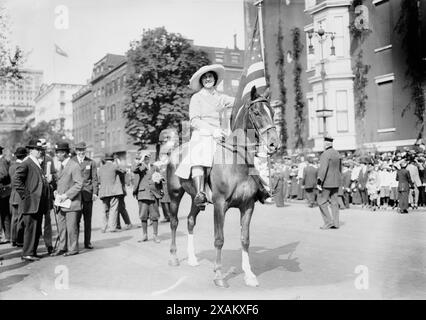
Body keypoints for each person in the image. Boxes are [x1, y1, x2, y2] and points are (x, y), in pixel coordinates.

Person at [174, 64, 271, 209]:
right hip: (203, 132)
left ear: (215, 79)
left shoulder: (220, 97)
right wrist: (212, 130)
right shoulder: (196, 98)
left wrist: (252, 96)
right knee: (201, 155)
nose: (208, 79)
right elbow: (194, 120)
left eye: (210, 76)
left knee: (244, 151)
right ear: (201, 81)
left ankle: (259, 187)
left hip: (220, 133)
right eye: (205, 77)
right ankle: (200, 193)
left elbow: (239, 102)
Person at [13, 139, 50, 261]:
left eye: (41, 149)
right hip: (31, 203)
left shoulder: (35, 163)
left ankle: (32, 252)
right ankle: (27, 253)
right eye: (38, 149)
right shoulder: (26, 163)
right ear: (31, 150)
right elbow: (16, 180)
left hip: (37, 203)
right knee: (30, 228)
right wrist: (26, 195)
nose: (40, 152)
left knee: (35, 228)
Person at [50, 142, 83, 256]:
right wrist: (57, 192)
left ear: (64, 153)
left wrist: (66, 195)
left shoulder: (74, 166)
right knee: (61, 227)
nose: (56, 155)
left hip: (71, 203)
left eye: (58, 152)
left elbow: (79, 184)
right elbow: (63, 182)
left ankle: (73, 248)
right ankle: (62, 247)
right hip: (61, 203)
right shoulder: (61, 166)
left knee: (71, 227)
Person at [72, 142, 99, 249]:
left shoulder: (91, 162)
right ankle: (75, 243)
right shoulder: (71, 161)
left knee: (87, 220)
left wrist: (95, 192)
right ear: (76, 150)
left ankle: (87, 242)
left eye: (83, 150)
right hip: (76, 195)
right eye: (79, 150)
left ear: (85, 150)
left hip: (88, 195)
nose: (81, 152)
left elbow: (94, 179)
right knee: (75, 219)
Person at [133, 151, 163, 243]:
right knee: (143, 215)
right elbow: (134, 170)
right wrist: (140, 161)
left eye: (148, 157)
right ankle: (144, 235)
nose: (147, 158)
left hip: (153, 194)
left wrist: (160, 181)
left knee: (154, 216)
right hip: (143, 194)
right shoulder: (140, 167)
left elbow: (160, 179)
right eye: (145, 157)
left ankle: (155, 235)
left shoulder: (155, 167)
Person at [317, 136, 342, 229]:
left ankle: (328, 222)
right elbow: (340, 169)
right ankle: (336, 223)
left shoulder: (325, 154)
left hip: (327, 182)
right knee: (334, 203)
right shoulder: (337, 153)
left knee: (321, 202)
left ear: (326, 144)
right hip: (336, 182)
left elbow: (323, 169)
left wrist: (319, 182)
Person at [98, 153, 125, 232]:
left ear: (105, 160)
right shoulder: (114, 166)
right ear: (113, 159)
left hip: (103, 192)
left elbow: (99, 179)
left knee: (105, 210)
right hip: (114, 191)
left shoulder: (101, 168)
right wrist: (117, 163)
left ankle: (103, 227)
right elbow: (123, 171)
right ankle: (112, 228)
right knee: (113, 209)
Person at [38, 138, 57, 254]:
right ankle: (34, 245)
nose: (42, 149)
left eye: (44, 147)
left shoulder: (49, 159)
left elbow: (53, 177)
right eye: (40, 147)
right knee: (36, 221)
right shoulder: (32, 160)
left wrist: (54, 190)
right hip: (36, 195)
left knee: (48, 220)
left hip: (47, 194)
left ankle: (48, 244)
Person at [9, 147, 27, 247]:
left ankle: (13, 239)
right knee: (21, 217)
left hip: (13, 194)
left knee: (14, 218)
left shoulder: (11, 166)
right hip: (20, 194)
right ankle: (20, 239)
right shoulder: (23, 166)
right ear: (24, 156)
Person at [0, 145, 11, 244]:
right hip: (4, 191)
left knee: (5, 214)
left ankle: (7, 236)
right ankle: (7, 236)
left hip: (3, 192)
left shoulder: (1, 161)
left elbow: (3, 174)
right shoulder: (3, 160)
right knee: (5, 214)